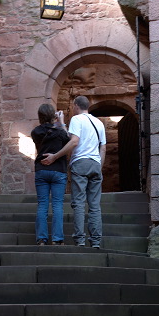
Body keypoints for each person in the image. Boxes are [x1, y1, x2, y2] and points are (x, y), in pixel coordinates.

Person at [41, 96, 106, 248]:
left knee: (78, 203)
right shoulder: (99, 123)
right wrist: (99, 167)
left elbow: (74, 141)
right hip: (96, 163)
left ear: (76, 106)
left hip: (80, 163)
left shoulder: (77, 119)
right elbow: (103, 148)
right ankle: (96, 241)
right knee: (95, 205)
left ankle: (80, 240)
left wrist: (55, 156)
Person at [31, 104, 70, 245]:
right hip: (58, 170)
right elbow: (69, 139)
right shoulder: (60, 132)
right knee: (57, 205)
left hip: (41, 169)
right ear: (53, 116)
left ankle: (41, 239)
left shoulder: (35, 132)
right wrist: (61, 122)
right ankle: (57, 239)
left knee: (42, 204)